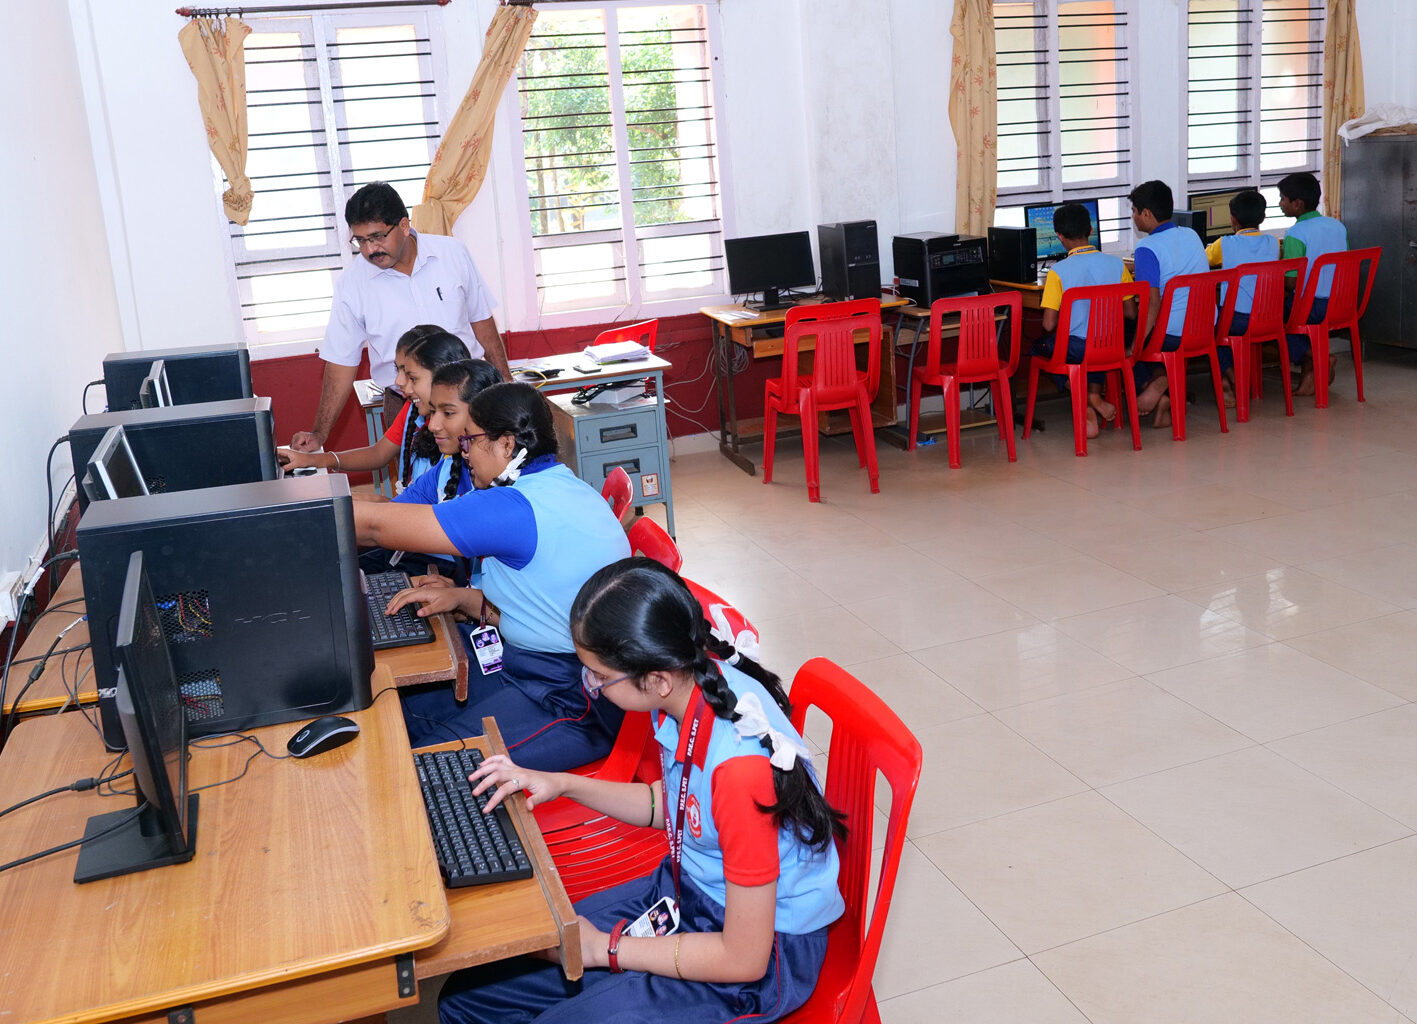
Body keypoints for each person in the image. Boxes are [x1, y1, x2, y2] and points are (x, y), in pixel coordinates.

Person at [436, 557, 846, 1024]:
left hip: (761, 952)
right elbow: (667, 803)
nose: (590, 686)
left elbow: (742, 959)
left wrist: (606, 949)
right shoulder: (682, 689)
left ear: (655, 679)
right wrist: (561, 784)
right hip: (689, 889)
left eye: (598, 676)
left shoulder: (739, 771)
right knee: (468, 997)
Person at [353, 382, 631, 770]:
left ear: (506, 445)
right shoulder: (557, 483)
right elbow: (541, 605)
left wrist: (297, 514)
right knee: (395, 707)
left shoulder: (512, 507)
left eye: (469, 440)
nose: (463, 452)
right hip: (530, 663)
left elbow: (376, 528)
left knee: (423, 767)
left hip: (571, 697)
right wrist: (462, 598)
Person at [289, 182, 513, 452]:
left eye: (377, 237)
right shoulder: (352, 285)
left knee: (486, 470)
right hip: (407, 404)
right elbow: (340, 363)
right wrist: (319, 433)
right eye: (361, 240)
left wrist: (506, 385)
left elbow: (481, 321)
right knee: (416, 478)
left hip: (469, 396)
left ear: (404, 226)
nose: (370, 249)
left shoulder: (452, 253)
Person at [279, 326, 471, 494]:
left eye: (410, 375)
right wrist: (316, 460)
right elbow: (379, 453)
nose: (398, 381)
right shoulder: (413, 410)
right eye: (398, 370)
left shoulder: (461, 438)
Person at [1033, 203, 1137, 438]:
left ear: (1059, 236)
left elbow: (1048, 324)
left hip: (1077, 347)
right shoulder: (1117, 264)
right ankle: (1093, 400)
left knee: (1038, 348)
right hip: (1111, 345)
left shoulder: (1057, 272)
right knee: (1096, 348)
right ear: (1091, 230)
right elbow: (1131, 312)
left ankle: (1089, 398)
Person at [1129, 179, 1210, 428]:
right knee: (1148, 334)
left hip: (1173, 334)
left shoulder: (1147, 247)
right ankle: (1164, 393)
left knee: (1127, 334)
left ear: (1146, 213)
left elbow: (1152, 303)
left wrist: (1135, 347)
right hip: (1204, 328)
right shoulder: (1191, 234)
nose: (1133, 217)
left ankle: (1157, 385)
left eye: (1134, 211)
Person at [1205, 189, 1280, 406]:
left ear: (1233, 219)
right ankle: (1236, 378)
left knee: (1208, 331)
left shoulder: (1225, 244)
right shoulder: (1274, 243)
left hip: (1237, 319)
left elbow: (1204, 259)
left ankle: (1229, 377)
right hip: (1268, 318)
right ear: (1263, 217)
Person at [1278, 171, 1348, 396]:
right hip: (1341, 303)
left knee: (1272, 319)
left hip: (1314, 306)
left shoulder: (1295, 233)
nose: (1280, 204)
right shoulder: (1337, 226)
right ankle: (1310, 377)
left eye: (1283, 199)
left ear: (1297, 203)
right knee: (1294, 309)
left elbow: (1291, 283)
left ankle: (1318, 356)